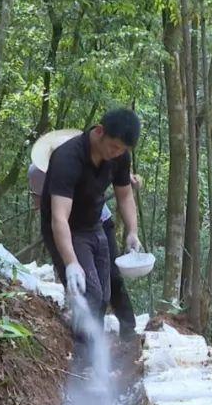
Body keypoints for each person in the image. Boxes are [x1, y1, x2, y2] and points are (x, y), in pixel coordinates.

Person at [37, 109, 143, 340]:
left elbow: (125, 195)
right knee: (89, 293)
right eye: (114, 147)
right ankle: (81, 359)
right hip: (66, 229)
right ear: (99, 131)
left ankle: (95, 349)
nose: (117, 154)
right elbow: (59, 218)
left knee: (104, 293)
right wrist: (71, 262)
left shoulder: (119, 157)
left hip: (95, 224)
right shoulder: (68, 158)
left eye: (123, 150)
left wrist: (132, 232)